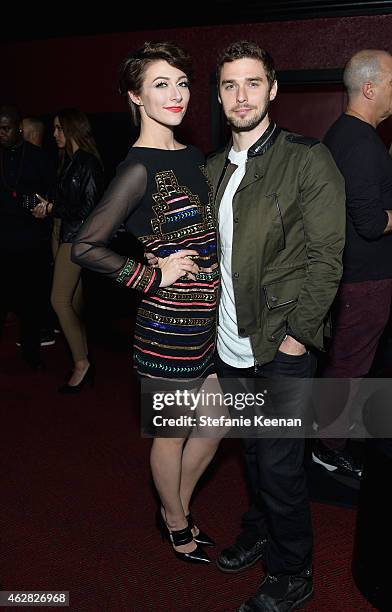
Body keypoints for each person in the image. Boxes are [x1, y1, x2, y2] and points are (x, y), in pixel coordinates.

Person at [206, 41, 346, 610]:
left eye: (252, 84)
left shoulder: (307, 158)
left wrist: (297, 336)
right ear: (219, 95)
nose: (241, 97)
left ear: (273, 89)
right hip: (229, 344)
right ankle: (261, 528)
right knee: (256, 455)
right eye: (229, 86)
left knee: (283, 463)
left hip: (282, 345)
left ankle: (293, 572)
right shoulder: (213, 167)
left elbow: (327, 256)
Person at [72, 42, 220, 564]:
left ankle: (171, 505)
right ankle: (177, 522)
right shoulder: (137, 168)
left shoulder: (193, 155)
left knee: (217, 422)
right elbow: (86, 246)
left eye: (182, 83)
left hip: (207, 321)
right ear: (135, 96)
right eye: (161, 84)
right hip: (168, 325)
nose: (177, 94)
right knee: (173, 434)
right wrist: (149, 274)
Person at [313, 50, 392, 478]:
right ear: (370, 88)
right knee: (349, 363)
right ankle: (328, 447)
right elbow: (371, 222)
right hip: (365, 279)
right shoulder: (359, 143)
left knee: (350, 361)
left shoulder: (347, 135)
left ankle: (335, 433)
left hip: (357, 275)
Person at [35, 108, 104, 392]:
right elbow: (68, 202)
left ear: (72, 128)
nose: (54, 134)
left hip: (76, 238)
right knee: (73, 301)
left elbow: (88, 209)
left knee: (59, 300)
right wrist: (48, 206)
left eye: (59, 128)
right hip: (61, 233)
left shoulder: (86, 162)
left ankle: (81, 363)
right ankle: (84, 355)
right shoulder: (70, 161)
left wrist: (53, 207)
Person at [0, 104, 56, 369]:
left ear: (19, 128)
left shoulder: (37, 157)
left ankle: (32, 353)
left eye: (6, 128)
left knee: (31, 300)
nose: (1, 133)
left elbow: (52, 193)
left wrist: (45, 207)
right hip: (3, 240)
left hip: (31, 240)